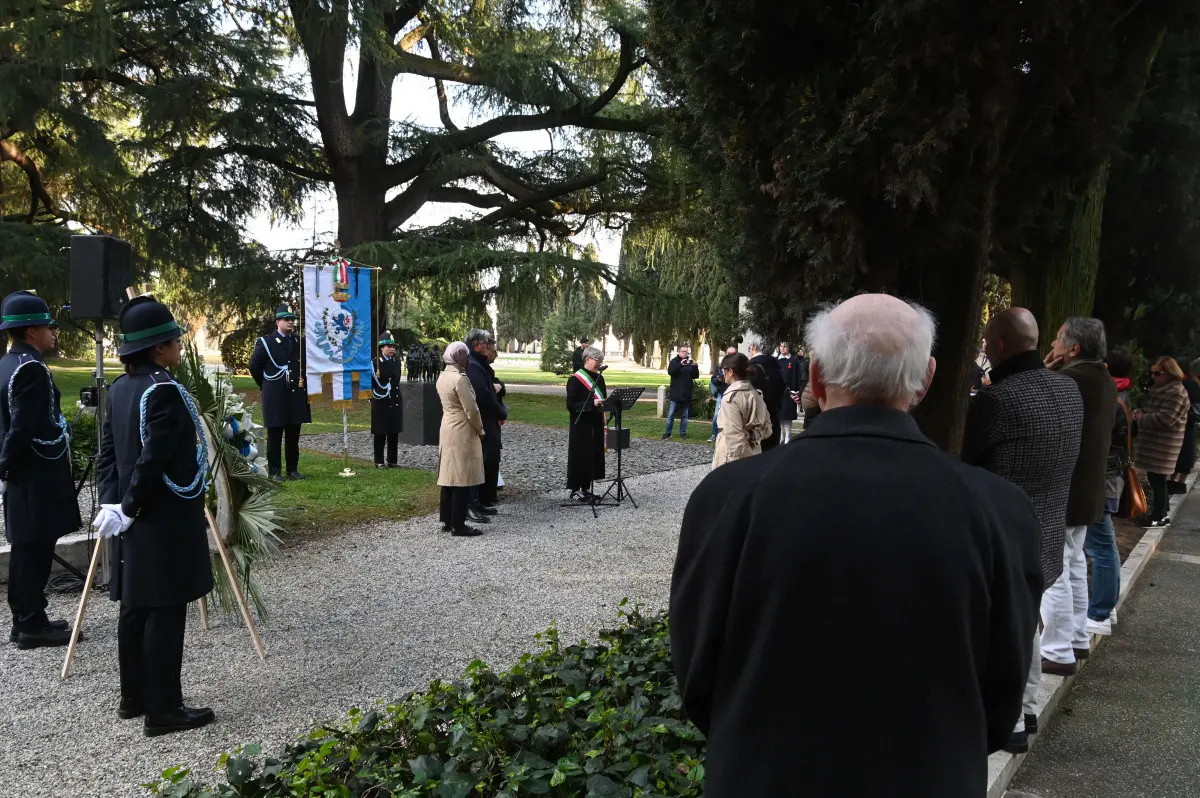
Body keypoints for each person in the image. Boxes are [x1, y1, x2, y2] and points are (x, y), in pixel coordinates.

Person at [671, 295, 1043, 798]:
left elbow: (698, 678)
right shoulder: (1000, 511)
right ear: (926, 380)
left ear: (817, 377)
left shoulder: (727, 497)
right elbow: (1001, 705)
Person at [961, 307, 1083, 754]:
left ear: (998, 346)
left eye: (990, 343)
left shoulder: (997, 401)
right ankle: (1026, 709)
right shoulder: (1070, 391)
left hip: (1003, 529)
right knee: (1028, 620)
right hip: (1049, 524)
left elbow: (964, 464)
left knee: (1008, 626)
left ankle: (1012, 717)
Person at [93, 296, 215, 736]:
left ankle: (134, 697)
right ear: (158, 349)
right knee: (165, 610)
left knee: (135, 607)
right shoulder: (162, 391)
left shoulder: (121, 388)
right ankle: (164, 709)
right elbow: (154, 459)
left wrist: (116, 504)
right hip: (160, 515)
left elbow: (107, 455)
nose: (180, 347)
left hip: (135, 513)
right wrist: (128, 506)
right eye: (174, 341)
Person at [0, 291, 79, 649]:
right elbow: (24, 427)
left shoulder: (9, 362)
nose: (54, 333)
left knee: (28, 546)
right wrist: (8, 466)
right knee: (34, 547)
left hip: (23, 472)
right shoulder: (30, 368)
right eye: (48, 327)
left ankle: (30, 616)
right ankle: (30, 624)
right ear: (31, 332)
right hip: (34, 472)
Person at [1039, 318, 1117, 676]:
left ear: (1074, 349)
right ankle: (1076, 638)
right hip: (1088, 490)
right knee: (1072, 566)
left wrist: (1042, 370)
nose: (1052, 346)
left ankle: (1056, 651)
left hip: (1064, 489)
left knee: (1054, 570)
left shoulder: (1069, 380)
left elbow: (1033, 397)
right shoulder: (1102, 380)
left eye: (1057, 340)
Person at [1086, 348, 1133, 637]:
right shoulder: (1122, 395)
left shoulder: (1110, 399)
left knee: (1101, 547)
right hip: (1111, 479)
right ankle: (1106, 607)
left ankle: (1100, 612)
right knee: (1104, 546)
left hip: (1102, 480)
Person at [248, 305, 312, 481]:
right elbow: (254, 367)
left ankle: (292, 470)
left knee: (293, 435)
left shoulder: (299, 342)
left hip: (295, 395)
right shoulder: (266, 342)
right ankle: (275, 472)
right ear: (277, 322)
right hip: (276, 395)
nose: (291, 322)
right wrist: (266, 385)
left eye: (292, 319)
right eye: (286, 319)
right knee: (275, 435)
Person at [1134, 356, 1190, 526]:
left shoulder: (1175, 392)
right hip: (1157, 443)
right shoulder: (1164, 389)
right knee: (1156, 478)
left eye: (1157, 373)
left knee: (1158, 479)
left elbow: (1166, 418)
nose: (1154, 376)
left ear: (1169, 373)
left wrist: (1142, 418)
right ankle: (1162, 513)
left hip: (1163, 444)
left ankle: (1157, 515)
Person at [435, 342, 484, 537]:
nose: (468, 359)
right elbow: (471, 409)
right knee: (462, 477)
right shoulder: (460, 379)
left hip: (447, 426)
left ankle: (447, 519)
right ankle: (459, 524)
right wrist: (480, 429)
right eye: (465, 355)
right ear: (458, 357)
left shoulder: (443, 376)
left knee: (448, 476)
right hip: (462, 428)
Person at [465, 329, 507, 519]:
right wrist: (501, 411)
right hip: (482, 422)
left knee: (488, 461)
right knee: (481, 461)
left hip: (488, 421)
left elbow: (493, 386)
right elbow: (483, 396)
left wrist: (501, 390)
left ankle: (483, 499)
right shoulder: (473, 365)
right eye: (488, 345)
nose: (492, 350)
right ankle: (476, 501)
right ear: (478, 345)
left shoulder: (480, 365)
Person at [711, 352, 772, 469]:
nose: (723, 374)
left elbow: (734, 436)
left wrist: (735, 468)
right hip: (753, 456)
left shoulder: (731, 398)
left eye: (723, 370)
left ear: (730, 371)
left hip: (732, 460)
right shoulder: (756, 394)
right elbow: (768, 429)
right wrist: (753, 435)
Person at [566, 346, 607, 501]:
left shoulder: (599, 378)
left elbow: (603, 397)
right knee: (580, 456)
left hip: (595, 422)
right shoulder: (575, 379)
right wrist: (591, 404)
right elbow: (570, 405)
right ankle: (575, 489)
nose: (599, 364)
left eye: (601, 361)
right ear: (587, 359)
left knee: (592, 456)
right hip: (581, 425)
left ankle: (586, 488)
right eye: (598, 360)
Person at [370, 332, 404, 468]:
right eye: (389, 346)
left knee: (393, 431)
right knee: (380, 432)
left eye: (393, 347)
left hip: (394, 399)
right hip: (381, 400)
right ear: (382, 348)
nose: (392, 349)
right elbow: (371, 382)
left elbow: (396, 380)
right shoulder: (375, 363)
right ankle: (379, 461)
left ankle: (392, 461)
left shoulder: (396, 361)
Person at [1169, 357, 1200, 494]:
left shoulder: (1173, 385)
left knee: (1174, 458)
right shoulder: (1192, 385)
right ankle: (1178, 485)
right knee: (1184, 459)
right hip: (1186, 427)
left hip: (1175, 427)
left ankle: (1172, 484)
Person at [748, 341, 783, 451]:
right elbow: (782, 388)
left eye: (749, 349)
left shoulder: (752, 367)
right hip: (774, 414)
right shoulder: (775, 365)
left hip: (757, 419)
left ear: (753, 348)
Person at [662, 345, 699, 440]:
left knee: (685, 415)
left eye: (686, 352)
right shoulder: (674, 361)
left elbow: (695, 376)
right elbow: (671, 371)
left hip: (686, 393)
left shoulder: (689, 363)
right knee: (671, 414)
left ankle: (683, 433)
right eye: (683, 351)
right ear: (678, 352)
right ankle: (668, 433)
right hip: (675, 393)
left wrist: (695, 367)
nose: (684, 353)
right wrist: (680, 364)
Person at [775, 342, 804, 444]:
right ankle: (781, 435)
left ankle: (787, 436)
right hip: (778, 392)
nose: (783, 349)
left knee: (787, 415)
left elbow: (797, 375)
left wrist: (796, 390)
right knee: (779, 415)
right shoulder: (776, 360)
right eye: (781, 346)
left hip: (789, 391)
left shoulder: (793, 360)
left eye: (785, 346)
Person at [708, 346, 738, 443]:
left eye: (732, 353)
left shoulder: (738, 366)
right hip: (722, 393)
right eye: (729, 353)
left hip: (735, 393)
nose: (730, 355)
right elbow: (713, 379)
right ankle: (714, 434)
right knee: (717, 415)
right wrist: (718, 379)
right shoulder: (721, 366)